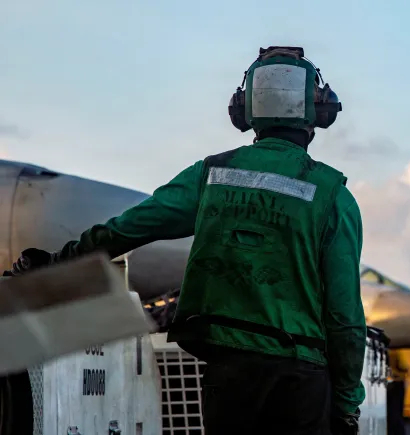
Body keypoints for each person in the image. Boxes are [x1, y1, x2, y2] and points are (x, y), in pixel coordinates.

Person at [6, 46, 367, 435]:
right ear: (318, 113)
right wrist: (346, 404)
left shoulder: (211, 175)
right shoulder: (334, 197)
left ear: (244, 111)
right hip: (302, 383)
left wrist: (59, 260)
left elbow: (129, 228)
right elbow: (345, 318)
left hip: (228, 375)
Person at [387, 349, 409, 435]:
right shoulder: (396, 350)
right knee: (397, 412)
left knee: (389, 412)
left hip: (386, 383)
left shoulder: (382, 349)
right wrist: (407, 368)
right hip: (397, 382)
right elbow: (402, 365)